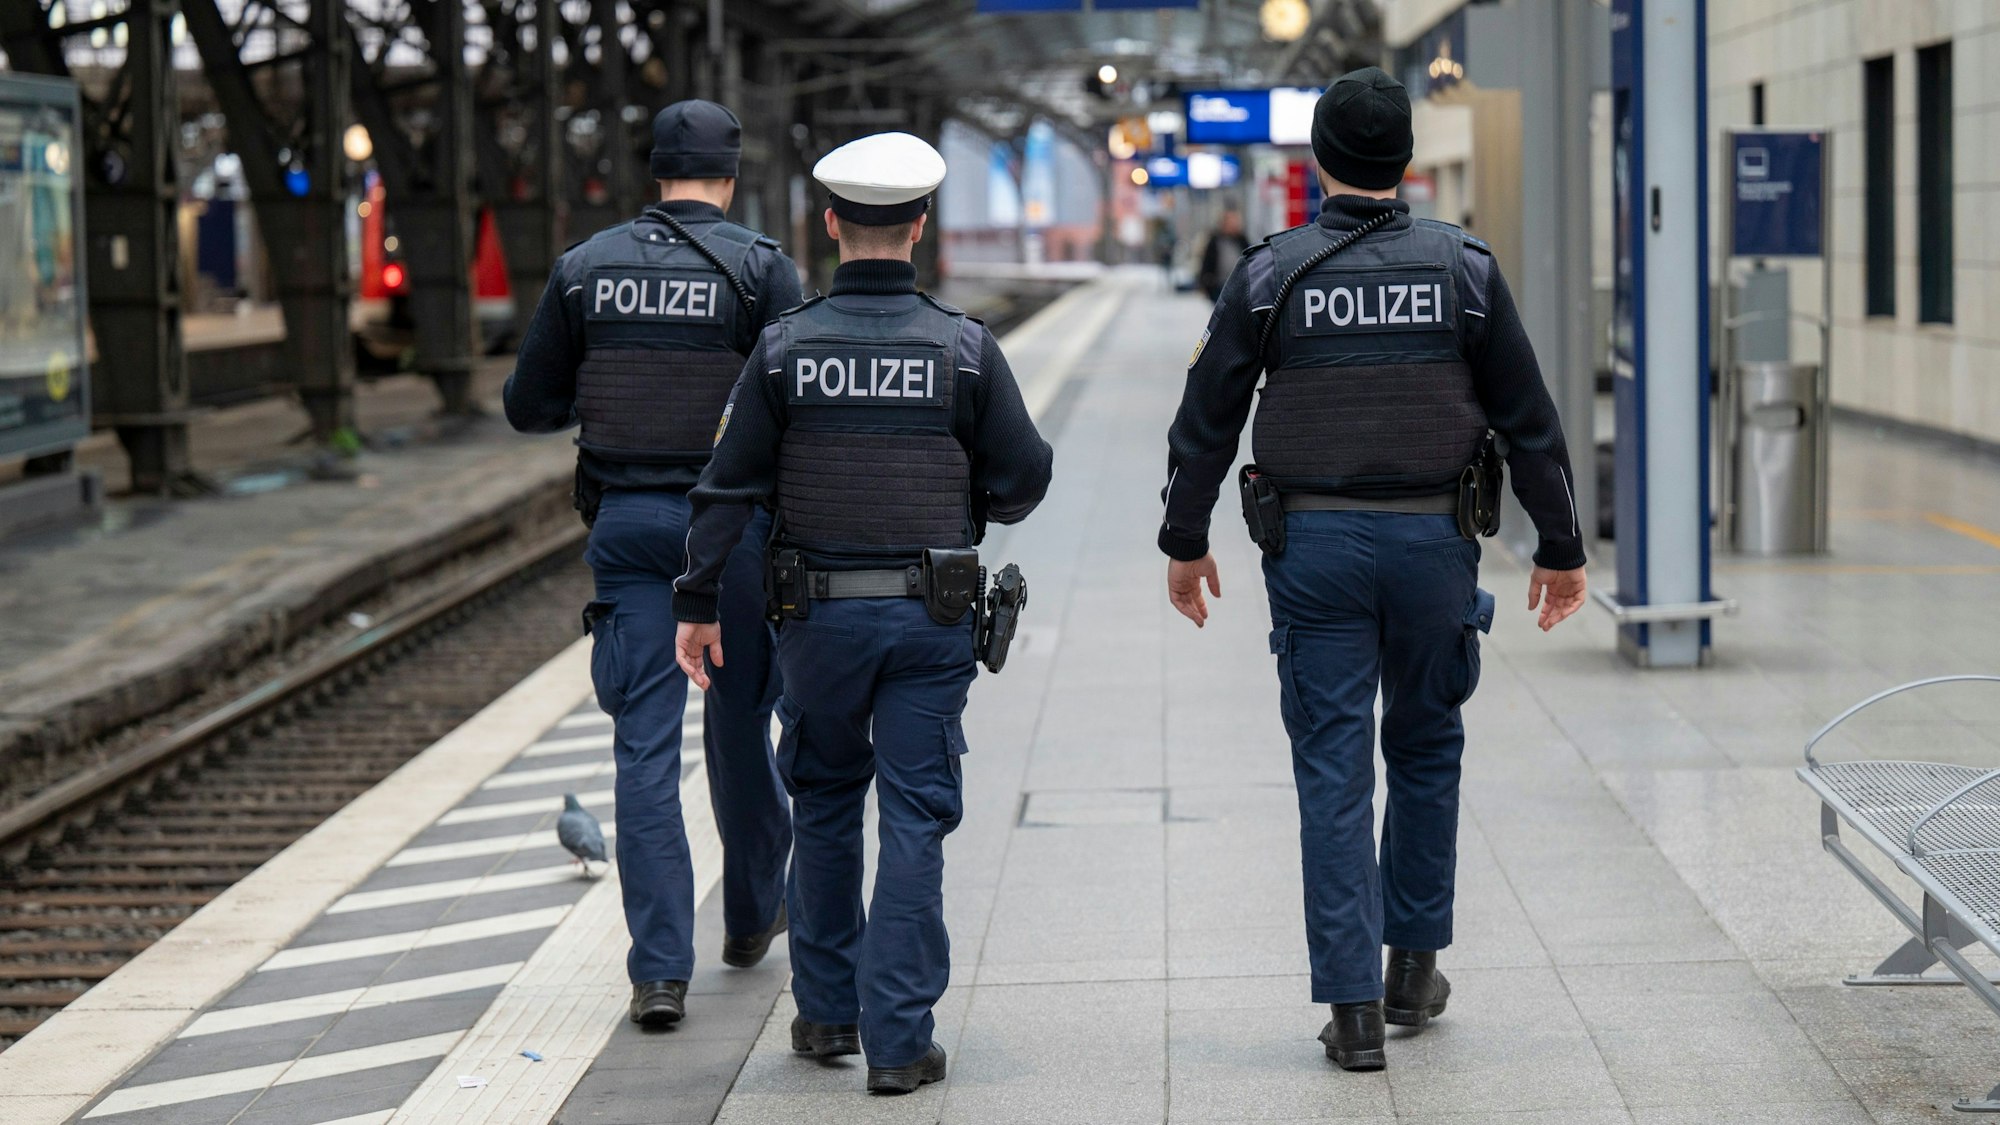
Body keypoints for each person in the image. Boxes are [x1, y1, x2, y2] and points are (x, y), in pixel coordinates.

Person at [1157, 67, 1589, 1072]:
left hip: (1313, 551)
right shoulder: (1464, 270)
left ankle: (1351, 1009)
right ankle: (1412, 967)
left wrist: (1184, 540)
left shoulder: (1269, 273)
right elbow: (1530, 422)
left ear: (1316, 163)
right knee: (1426, 748)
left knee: (1331, 765)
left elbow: (1204, 422)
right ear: (1404, 163)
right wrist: (1561, 549)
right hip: (1433, 545)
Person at [671, 131, 1053, 1094]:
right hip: (930, 624)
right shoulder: (964, 349)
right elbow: (1027, 473)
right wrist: (972, 504)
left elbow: (726, 487)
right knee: (917, 816)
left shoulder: (784, 348)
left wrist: (700, 599)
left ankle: (827, 1014)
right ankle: (899, 1039)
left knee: (829, 800)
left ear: (833, 224)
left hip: (817, 624)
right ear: (919, 226)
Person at [503, 99, 801, 1029]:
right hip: (733, 532)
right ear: (732, 173)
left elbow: (528, 403)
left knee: (642, 746)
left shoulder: (585, 269)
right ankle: (752, 914)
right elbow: (795, 401)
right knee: (740, 722)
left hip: (628, 527)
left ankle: (659, 972)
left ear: (654, 171)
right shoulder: (760, 269)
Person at [1196, 207, 1249, 302]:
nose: (1234, 224)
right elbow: (1207, 262)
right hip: (1219, 285)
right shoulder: (1215, 240)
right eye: (1231, 222)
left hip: (1239, 285)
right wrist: (1204, 282)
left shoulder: (1242, 240)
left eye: (1236, 221)